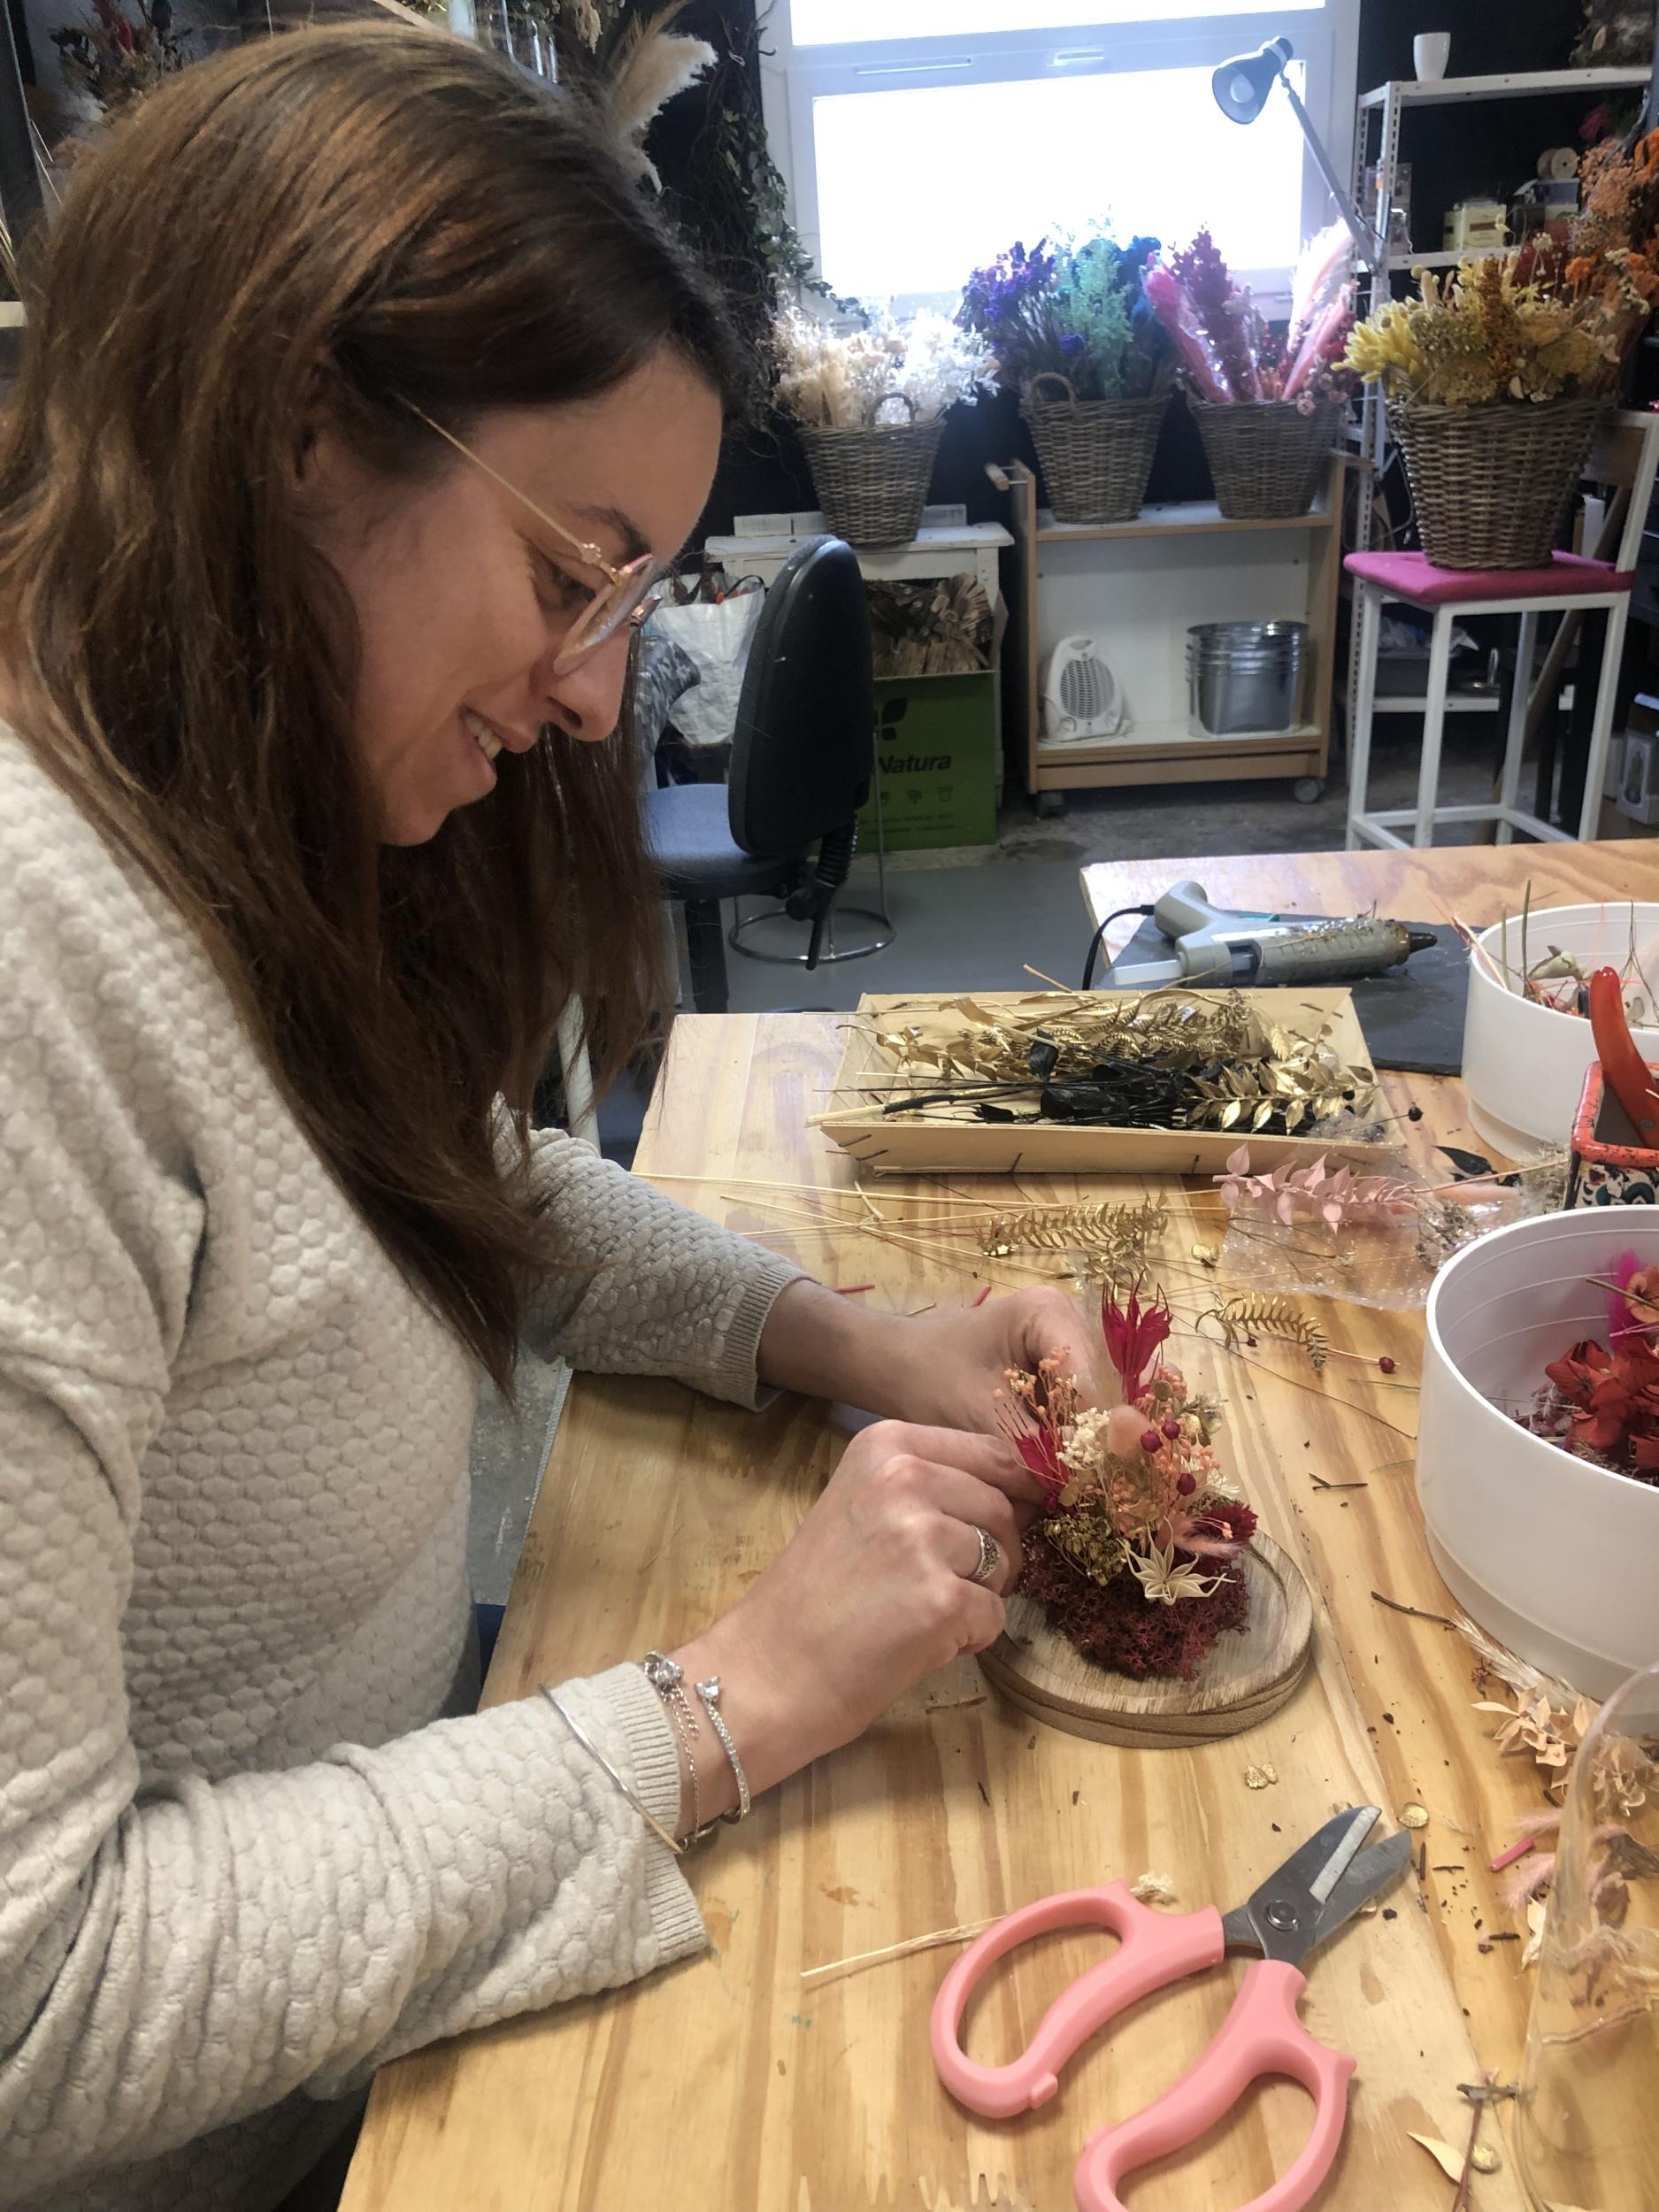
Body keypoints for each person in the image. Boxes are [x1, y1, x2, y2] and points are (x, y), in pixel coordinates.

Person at [0, 27, 1093, 2212]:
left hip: (415, 1910)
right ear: (298, 424)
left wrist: (839, 1332)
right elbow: (43, 2004)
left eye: (635, 599)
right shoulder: (36, 979)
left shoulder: (241, 814)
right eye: (572, 572)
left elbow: (451, 1172)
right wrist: (731, 1695)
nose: (597, 693)